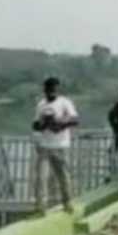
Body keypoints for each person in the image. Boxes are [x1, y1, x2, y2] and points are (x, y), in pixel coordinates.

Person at [32, 76, 80, 213]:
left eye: (53, 89)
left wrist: (60, 124)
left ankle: (67, 202)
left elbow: (75, 120)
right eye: (48, 90)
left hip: (61, 145)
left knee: (63, 176)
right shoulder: (41, 104)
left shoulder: (65, 102)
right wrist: (43, 124)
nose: (51, 92)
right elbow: (35, 124)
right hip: (45, 146)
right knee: (41, 177)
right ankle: (40, 206)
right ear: (44, 90)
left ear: (57, 89)